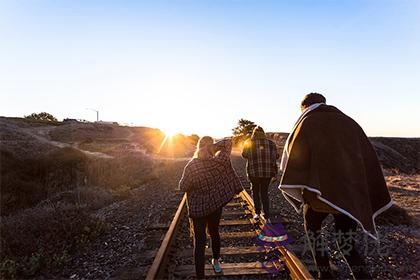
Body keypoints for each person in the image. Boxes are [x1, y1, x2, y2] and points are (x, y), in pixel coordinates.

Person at [278, 93, 392, 280]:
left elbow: (295, 156)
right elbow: (366, 157)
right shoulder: (350, 123)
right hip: (349, 194)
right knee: (346, 241)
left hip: (317, 195)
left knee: (312, 229)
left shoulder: (307, 122)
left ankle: (325, 274)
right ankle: (362, 276)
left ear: (305, 106)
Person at [179, 136, 243, 279]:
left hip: (197, 211)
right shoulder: (219, 162)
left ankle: (200, 276)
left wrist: (204, 149)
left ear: (198, 146)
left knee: (199, 242)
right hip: (215, 207)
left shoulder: (191, 165)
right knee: (214, 233)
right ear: (211, 147)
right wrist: (212, 148)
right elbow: (227, 142)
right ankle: (216, 261)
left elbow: (182, 187)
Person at [242, 126, 279, 223]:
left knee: (255, 191)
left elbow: (244, 155)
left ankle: (257, 213)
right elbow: (276, 157)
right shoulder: (271, 143)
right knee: (264, 193)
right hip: (267, 173)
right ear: (264, 133)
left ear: (254, 133)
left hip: (254, 172)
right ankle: (267, 216)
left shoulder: (249, 142)